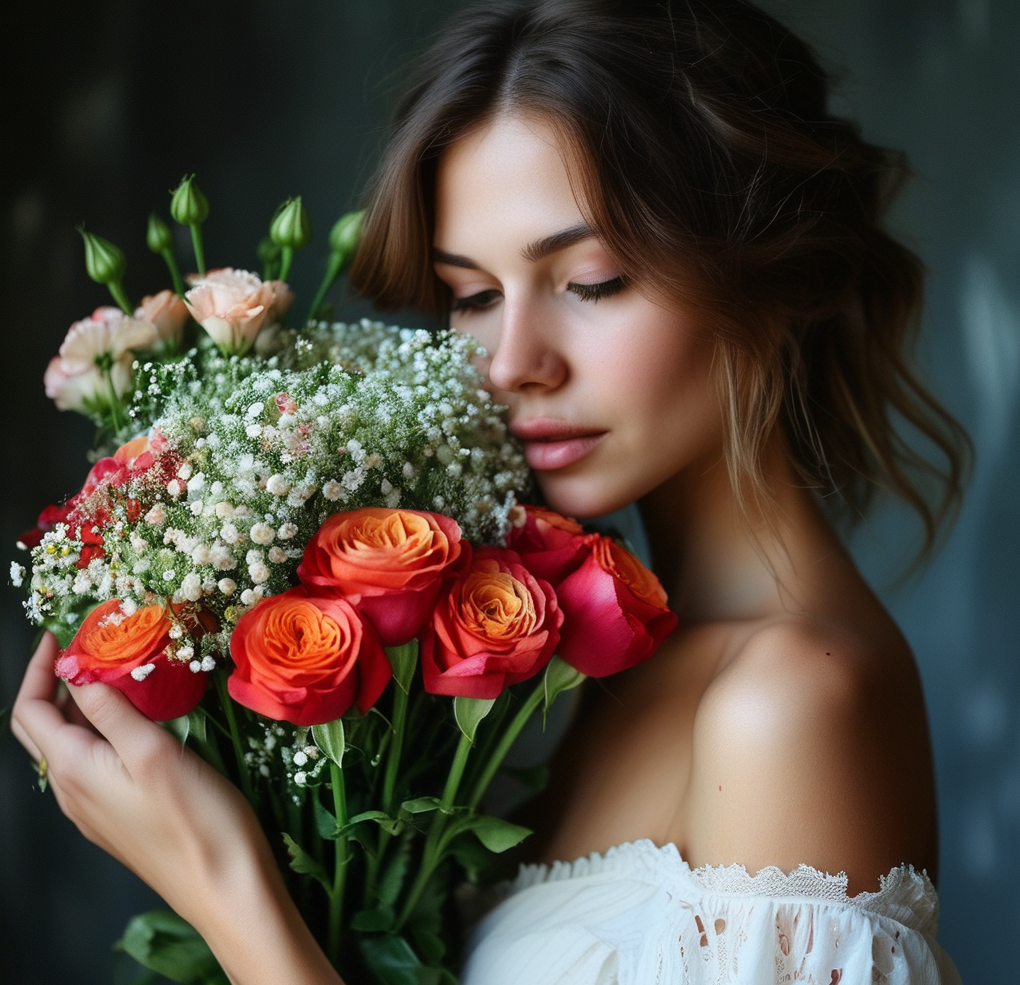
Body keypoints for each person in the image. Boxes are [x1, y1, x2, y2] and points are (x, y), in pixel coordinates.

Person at [12, 0, 968, 982]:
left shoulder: (790, 703)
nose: (513, 362)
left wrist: (224, 886)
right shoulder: (603, 658)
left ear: (771, 269)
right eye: (472, 294)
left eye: (593, 280)